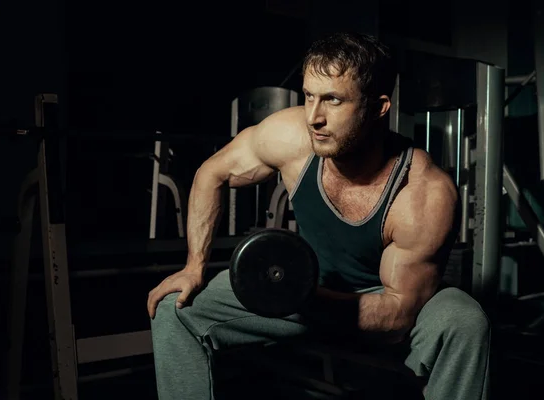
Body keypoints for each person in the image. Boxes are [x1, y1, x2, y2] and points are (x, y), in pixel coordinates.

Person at [147, 31, 491, 400]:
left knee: (463, 319)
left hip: (380, 298)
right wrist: (194, 265)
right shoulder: (291, 136)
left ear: (378, 107)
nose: (314, 117)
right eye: (309, 96)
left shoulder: (422, 193)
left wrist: (294, 294)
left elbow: (396, 317)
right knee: (175, 309)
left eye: (333, 100)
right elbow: (211, 173)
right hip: (304, 285)